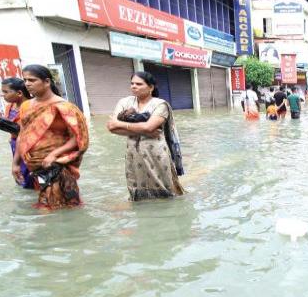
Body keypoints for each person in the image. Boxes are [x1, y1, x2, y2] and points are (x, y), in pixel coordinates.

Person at [13, 65, 89, 209]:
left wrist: (54, 155)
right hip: (35, 164)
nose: (27, 84)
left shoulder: (64, 107)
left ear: (47, 82)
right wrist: (16, 163)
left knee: (59, 206)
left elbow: (78, 138)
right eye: (25, 80)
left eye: (32, 80)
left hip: (56, 165)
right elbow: (22, 135)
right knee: (48, 204)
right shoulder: (26, 106)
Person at [107, 72, 185, 201]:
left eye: (139, 84)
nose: (134, 86)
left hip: (156, 153)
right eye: (132, 83)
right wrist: (145, 131)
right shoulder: (125, 102)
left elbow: (148, 127)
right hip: (133, 153)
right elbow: (111, 127)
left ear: (151, 87)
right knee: (137, 191)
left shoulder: (160, 105)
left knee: (165, 191)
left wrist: (120, 123)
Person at [1, 77, 33, 189]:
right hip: (16, 143)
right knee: (21, 175)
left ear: (19, 93)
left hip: (30, 146)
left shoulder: (31, 106)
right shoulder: (9, 107)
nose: (3, 95)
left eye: (5, 92)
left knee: (30, 176)